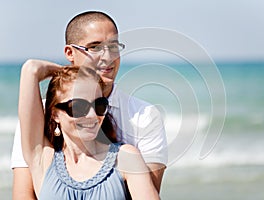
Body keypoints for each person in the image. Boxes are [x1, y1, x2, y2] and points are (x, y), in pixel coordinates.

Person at [11, 11, 167, 199]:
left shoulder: (145, 117)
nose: (107, 56)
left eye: (113, 46)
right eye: (95, 47)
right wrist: (66, 74)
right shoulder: (38, 118)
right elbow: (23, 194)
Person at [18, 60, 160, 199]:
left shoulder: (125, 158)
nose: (92, 115)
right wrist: (63, 72)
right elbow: (31, 69)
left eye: (99, 105)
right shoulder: (43, 159)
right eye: (79, 107)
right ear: (55, 114)